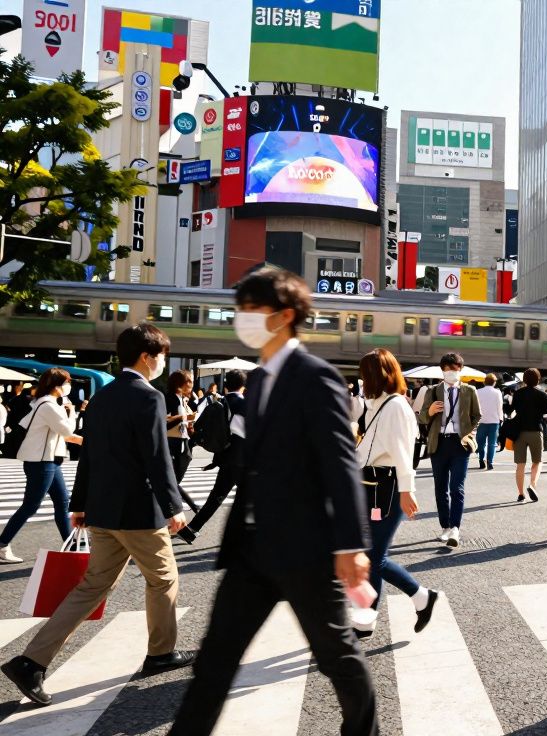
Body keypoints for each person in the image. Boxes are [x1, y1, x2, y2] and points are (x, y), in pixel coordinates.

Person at [170, 266, 376, 736]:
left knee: (337, 657)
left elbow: (339, 463)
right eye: (240, 309)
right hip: (251, 548)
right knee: (215, 659)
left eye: (251, 309)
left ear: (284, 316)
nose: (241, 318)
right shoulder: (260, 379)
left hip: (306, 548)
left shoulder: (316, 377)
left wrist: (351, 544)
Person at [2, 324, 193, 706]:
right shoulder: (149, 397)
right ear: (147, 356)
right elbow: (157, 457)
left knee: (92, 586)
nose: (163, 362)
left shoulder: (103, 396)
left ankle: (31, 662)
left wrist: (79, 504)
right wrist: (175, 507)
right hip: (139, 511)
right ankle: (160, 653)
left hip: (103, 510)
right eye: (162, 355)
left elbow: (88, 453)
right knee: (163, 580)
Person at [351, 349, 438, 638]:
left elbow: (403, 453)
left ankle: (419, 597)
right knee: (371, 555)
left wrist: (406, 491)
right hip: (373, 486)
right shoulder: (377, 404)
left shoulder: (396, 406)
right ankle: (374, 616)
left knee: (373, 556)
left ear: (377, 376)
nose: (362, 380)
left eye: (365, 375)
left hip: (387, 489)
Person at [0, 368, 82, 563]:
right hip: (41, 462)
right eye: (67, 382)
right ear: (56, 386)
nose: (69, 386)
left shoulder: (42, 403)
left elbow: (63, 434)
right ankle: (2, 545)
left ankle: (71, 546)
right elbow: (67, 431)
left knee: (62, 502)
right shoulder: (49, 406)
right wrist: (71, 412)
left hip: (48, 461)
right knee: (31, 505)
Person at [419, 353, 480, 548]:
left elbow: (477, 416)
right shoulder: (433, 391)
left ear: (460, 369)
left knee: (457, 487)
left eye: (454, 369)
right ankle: (445, 526)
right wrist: (429, 412)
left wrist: (469, 434)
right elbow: (422, 417)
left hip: (460, 444)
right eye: (447, 369)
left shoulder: (469, 390)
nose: (450, 372)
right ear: (442, 371)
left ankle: (455, 528)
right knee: (440, 488)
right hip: (438, 443)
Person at [182, 370, 247, 541]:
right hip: (242, 459)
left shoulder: (221, 402)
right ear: (243, 386)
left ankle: (192, 528)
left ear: (225, 386)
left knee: (217, 496)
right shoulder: (244, 405)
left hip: (225, 457)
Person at [509, 368, 547, 503]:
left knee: (520, 465)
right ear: (538, 379)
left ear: (524, 380)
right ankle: (532, 485)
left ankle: (521, 494)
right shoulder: (542, 394)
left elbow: (512, 409)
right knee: (537, 462)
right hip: (536, 431)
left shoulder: (518, 393)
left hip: (519, 432)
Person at [164, 371, 201, 514]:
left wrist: (190, 422)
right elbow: (163, 421)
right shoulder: (169, 398)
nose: (192, 384)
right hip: (172, 442)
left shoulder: (182, 399)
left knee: (172, 481)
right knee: (172, 480)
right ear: (180, 384)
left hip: (183, 443)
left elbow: (186, 420)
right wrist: (184, 417)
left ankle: (183, 507)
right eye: (189, 381)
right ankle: (191, 507)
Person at [475, 373, 503, 470]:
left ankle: (481, 460)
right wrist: (501, 418)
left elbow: (475, 407)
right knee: (492, 443)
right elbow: (499, 407)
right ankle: (490, 462)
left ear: (484, 382)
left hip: (481, 421)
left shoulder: (478, 392)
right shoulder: (497, 392)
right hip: (494, 421)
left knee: (480, 443)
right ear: (494, 382)